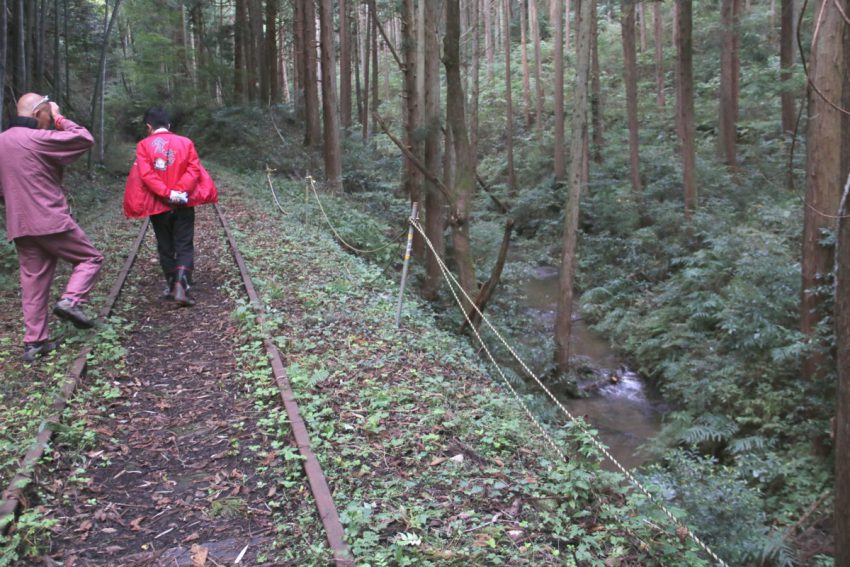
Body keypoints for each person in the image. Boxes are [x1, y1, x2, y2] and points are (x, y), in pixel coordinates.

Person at [0, 93, 103, 362]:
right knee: (90, 258)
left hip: (20, 224)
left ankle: (34, 343)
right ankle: (71, 300)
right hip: (49, 220)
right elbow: (84, 138)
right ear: (38, 114)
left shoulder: (2, 142)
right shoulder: (38, 139)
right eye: (47, 115)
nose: (49, 121)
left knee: (34, 282)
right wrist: (60, 117)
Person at [123, 107, 217, 306]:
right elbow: (194, 169)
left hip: (159, 205)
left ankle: (172, 285)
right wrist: (180, 192)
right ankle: (182, 287)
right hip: (183, 203)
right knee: (184, 244)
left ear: (149, 127)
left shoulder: (143, 146)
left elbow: (146, 176)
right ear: (169, 125)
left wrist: (167, 193)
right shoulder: (186, 142)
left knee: (165, 245)